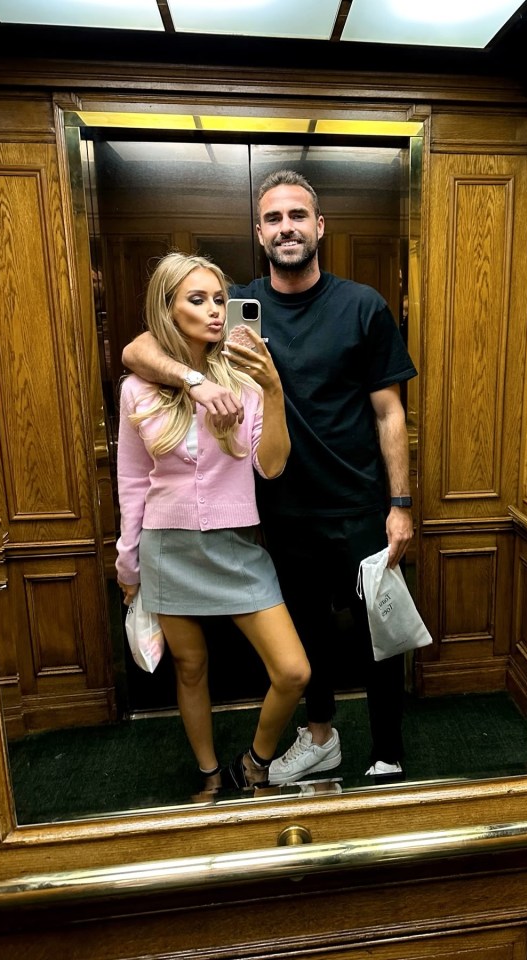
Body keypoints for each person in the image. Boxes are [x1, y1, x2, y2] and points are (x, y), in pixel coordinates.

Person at [122, 170, 417, 782]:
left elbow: (390, 412)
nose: (287, 227)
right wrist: (196, 380)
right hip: (280, 507)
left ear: (320, 226)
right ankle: (319, 738)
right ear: (259, 232)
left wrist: (401, 502)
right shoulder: (232, 308)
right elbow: (137, 350)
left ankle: (387, 752)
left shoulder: (363, 305)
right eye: (274, 218)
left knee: (376, 633)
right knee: (307, 636)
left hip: (360, 502)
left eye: (298, 215)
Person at [115, 251, 310, 800]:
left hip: (237, 546)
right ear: (168, 309)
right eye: (196, 300)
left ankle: (254, 762)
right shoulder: (139, 388)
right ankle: (207, 774)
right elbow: (132, 483)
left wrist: (272, 392)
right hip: (166, 547)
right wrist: (127, 563)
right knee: (191, 667)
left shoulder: (245, 382)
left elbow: (269, 465)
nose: (215, 311)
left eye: (220, 299)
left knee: (293, 671)